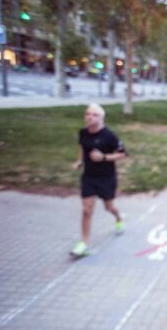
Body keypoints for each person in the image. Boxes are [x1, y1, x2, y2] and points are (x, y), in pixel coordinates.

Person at [71, 103, 128, 256]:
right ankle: (84, 244)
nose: (89, 117)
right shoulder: (83, 133)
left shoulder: (109, 135)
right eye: (87, 114)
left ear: (101, 118)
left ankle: (119, 217)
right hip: (89, 177)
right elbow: (82, 148)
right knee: (86, 209)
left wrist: (104, 157)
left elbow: (123, 154)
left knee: (109, 207)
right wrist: (80, 161)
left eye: (94, 115)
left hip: (106, 178)